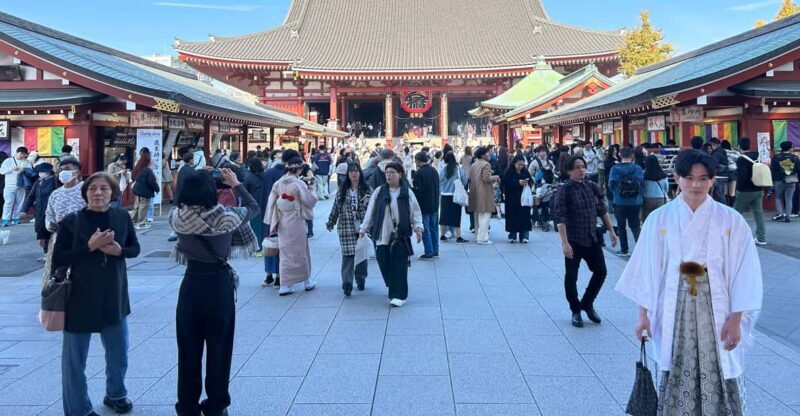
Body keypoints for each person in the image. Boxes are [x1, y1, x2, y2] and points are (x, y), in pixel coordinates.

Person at [615, 149, 762, 415]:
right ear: (676, 178)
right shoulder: (660, 219)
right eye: (689, 177)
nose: (696, 184)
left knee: (719, 363)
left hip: (717, 304)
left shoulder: (731, 220)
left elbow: (744, 272)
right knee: (677, 361)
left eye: (703, 178)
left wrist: (737, 319)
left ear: (713, 180)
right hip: (675, 303)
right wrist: (643, 315)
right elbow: (647, 270)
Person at [169, 168, 259, 416]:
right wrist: (236, 184)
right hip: (218, 285)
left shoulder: (177, 217)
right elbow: (254, 207)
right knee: (220, 348)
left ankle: (187, 406)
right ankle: (216, 404)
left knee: (188, 349)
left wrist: (192, 178)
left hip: (191, 285)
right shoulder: (227, 216)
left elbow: (177, 202)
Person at [53, 172, 140, 416]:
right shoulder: (72, 221)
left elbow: (135, 249)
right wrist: (89, 247)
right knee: (74, 360)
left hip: (114, 293)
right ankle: (78, 408)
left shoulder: (121, 217)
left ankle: (116, 393)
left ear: (113, 193)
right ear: (85, 194)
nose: (98, 193)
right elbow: (58, 258)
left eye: (104, 188)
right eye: (92, 189)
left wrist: (119, 250)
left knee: (118, 351)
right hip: (79, 296)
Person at [553, 156, 618, 328]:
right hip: (574, 239)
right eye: (577, 167)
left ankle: (587, 303)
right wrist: (564, 242)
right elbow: (560, 217)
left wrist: (611, 230)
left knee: (601, 272)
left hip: (592, 237)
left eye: (583, 166)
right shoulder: (564, 190)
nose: (582, 170)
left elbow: (602, 210)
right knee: (571, 276)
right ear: (569, 171)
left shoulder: (592, 186)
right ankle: (575, 310)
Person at [360, 162, 423, 307]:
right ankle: (393, 283)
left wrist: (418, 228)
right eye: (387, 172)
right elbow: (371, 211)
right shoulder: (379, 191)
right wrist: (364, 228)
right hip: (382, 233)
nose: (388, 175)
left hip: (400, 234)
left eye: (392, 172)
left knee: (400, 264)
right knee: (383, 261)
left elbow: (415, 212)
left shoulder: (407, 192)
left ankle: (399, 295)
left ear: (400, 174)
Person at [265, 150, 318, 296]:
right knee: (301, 251)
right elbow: (310, 200)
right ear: (299, 168)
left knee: (285, 252)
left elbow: (271, 203)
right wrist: (312, 189)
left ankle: (285, 284)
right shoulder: (298, 183)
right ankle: (307, 281)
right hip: (296, 219)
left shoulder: (278, 183)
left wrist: (271, 221)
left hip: (282, 220)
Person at [326, 163, 372, 296]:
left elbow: (374, 206)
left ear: (360, 173)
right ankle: (347, 283)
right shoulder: (342, 190)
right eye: (351, 171)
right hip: (346, 227)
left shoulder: (367, 189)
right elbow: (336, 207)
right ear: (347, 174)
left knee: (361, 255)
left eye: (356, 171)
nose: (353, 173)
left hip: (363, 226)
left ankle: (361, 278)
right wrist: (331, 222)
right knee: (347, 256)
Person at [44, 159, 86, 279]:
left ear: (76, 172)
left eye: (67, 169)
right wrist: (49, 225)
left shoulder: (86, 190)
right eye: (60, 170)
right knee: (58, 279)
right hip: (60, 242)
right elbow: (49, 214)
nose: (62, 173)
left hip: (81, 242)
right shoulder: (55, 194)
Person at [608, 147, 644, 257]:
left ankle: (624, 249)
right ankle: (640, 249)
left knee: (621, 226)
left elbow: (610, 184)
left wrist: (616, 193)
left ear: (620, 155)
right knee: (635, 226)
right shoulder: (637, 168)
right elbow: (641, 183)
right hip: (635, 201)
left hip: (619, 201)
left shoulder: (615, 169)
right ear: (632, 156)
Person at [733, 137, 767, 245]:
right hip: (758, 189)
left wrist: (738, 189)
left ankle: (731, 237)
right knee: (759, 214)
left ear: (739, 146)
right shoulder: (757, 157)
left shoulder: (741, 159)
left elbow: (742, 176)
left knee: (734, 214)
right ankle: (761, 238)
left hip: (745, 191)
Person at [20, 163, 56, 260]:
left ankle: (50, 253)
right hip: (39, 211)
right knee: (41, 232)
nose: (40, 174)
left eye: (41, 172)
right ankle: (46, 253)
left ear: (47, 172)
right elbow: (30, 197)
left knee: (49, 231)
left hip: (50, 212)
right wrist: (24, 210)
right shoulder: (38, 182)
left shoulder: (55, 182)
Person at [261, 149, 284, 287]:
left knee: (269, 244)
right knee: (281, 247)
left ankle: (268, 275)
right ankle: (279, 276)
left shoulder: (267, 173)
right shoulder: (286, 176)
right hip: (283, 215)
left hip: (268, 214)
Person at [412, 151, 440, 259]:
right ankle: (435, 250)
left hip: (423, 205)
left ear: (418, 160)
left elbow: (418, 191)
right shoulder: (434, 170)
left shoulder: (419, 173)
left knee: (425, 228)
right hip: (434, 204)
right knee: (434, 228)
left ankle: (429, 251)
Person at [438, 151, 468, 244]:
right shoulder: (458, 169)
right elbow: (465, 180)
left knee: (443, 216)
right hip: (456, 195)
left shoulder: (443, 169)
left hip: (444, 195)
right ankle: (458, 237)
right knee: (456, 216)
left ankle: (442, 236)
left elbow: (439, 180)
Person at [502, 156, 533, 243]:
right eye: (519, 164)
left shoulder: (525, 171)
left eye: (522, 165)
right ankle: (512, 235)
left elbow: (530, 180)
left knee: (525, 217)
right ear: (514, 163)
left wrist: (526, 182)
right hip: (512, 198)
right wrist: (517, 182)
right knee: (513, 216)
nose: (521, 166)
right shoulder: (509, 172)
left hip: (523, 198)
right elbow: (505, 182)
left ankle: (524, 236)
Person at [0, 146, 31, 226]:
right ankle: (5, 219)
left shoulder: (26, 162)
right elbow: (2, 171)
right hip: (9, 186)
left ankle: (16, 218)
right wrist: (12, 168)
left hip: (21, 186)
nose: (22, 156)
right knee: (8, 203)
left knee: (19, 203)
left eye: (24, 154)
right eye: (21, 154)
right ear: (17, 152)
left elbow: (30, 172)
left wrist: (24, 170)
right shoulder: (8, 161)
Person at [771, 141, 800, 222]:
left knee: (778, 197)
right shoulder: (795, 157)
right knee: (789, 198)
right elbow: (799, 169)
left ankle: (780, 214)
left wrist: (773, 180)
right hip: (792, 180)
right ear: (790, 148)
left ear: (781, 148)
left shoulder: (776, 157)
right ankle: (788, 216)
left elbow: (772, 170)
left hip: (779, 180)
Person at [131, 148, 159, 230]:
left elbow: (133, 177)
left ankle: (133, 221)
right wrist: (157, 189)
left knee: (136, 206)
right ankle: (141, 224)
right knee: (143, 207)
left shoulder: (137, 168)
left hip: (137, 190)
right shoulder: (148, 170)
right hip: (145, 191)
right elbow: (152, 182)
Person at [243, 157, 267, 254]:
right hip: (266, 204)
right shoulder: (266, 176)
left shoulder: (248, 177)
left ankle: (258, 248)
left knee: (255, 226)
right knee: (265, 225)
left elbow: (244, 193)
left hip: (254, 205)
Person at [641, 154, 669, 222]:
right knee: (659, 220)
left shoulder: (643, 175)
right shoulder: (663, 175)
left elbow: (641, 186)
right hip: (660, 199)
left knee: (647, 220)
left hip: (647, 199)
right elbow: (666, 189)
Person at [709, 138, 730, 204]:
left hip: (719, 175)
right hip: (725, 174)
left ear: (712, 145)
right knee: (722, 192)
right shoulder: (723, 151)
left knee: (719, 193)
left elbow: (714, 164)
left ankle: (724, 207)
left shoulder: (716, 153)